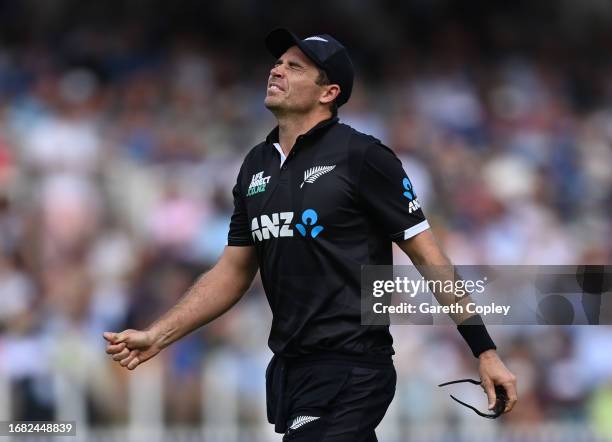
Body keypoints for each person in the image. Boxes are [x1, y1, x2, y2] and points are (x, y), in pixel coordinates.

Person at [104, 28, 517, 441]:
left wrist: (484, 350)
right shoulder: (256, 165)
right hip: (293, 370)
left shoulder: (363, 157)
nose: (277, 70)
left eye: (295, 66)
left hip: (353, 366)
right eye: (278, 63)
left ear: (328, 92)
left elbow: (428, 256)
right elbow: (232, 272)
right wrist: (158, 335)